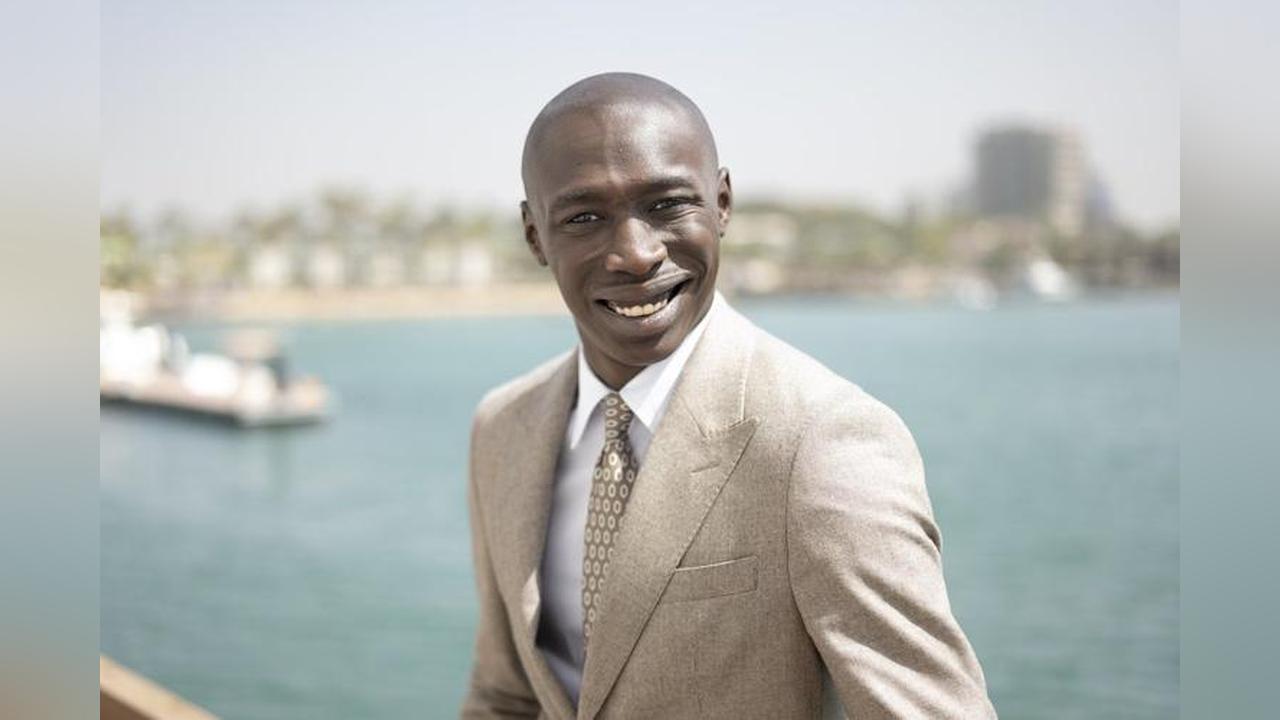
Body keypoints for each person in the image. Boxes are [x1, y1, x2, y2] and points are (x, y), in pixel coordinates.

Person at [462, 72, 996, 719]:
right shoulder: (504, 427)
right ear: (535, 236)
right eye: (584, 218)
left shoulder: (821, 440)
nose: (635, 253)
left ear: (721, 203)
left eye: (666, 205)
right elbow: (505, 697)